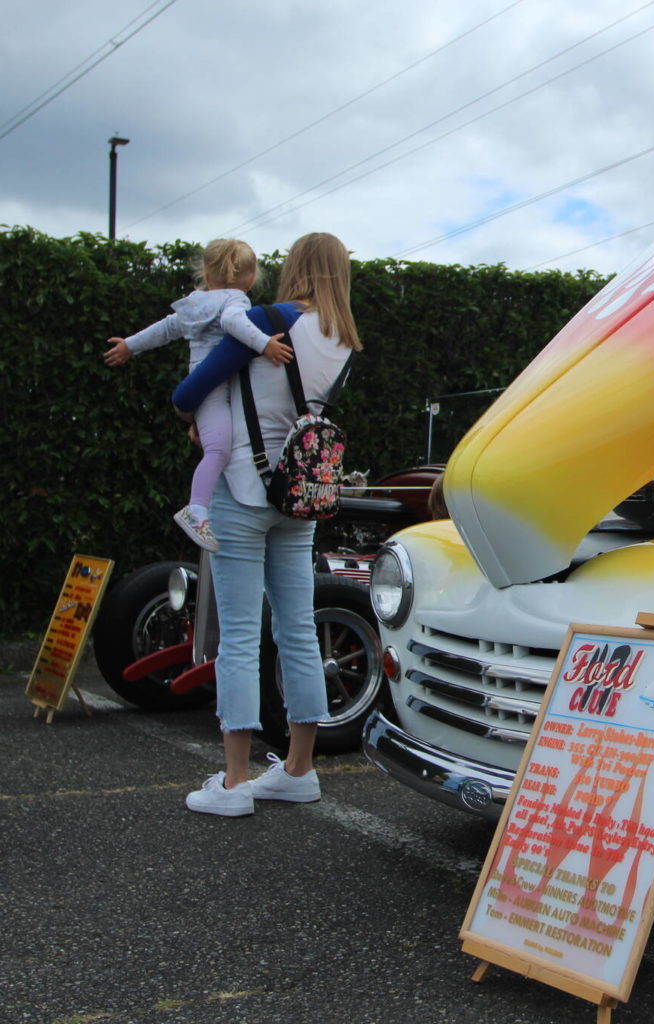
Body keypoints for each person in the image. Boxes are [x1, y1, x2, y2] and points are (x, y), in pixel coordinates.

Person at [169, 232, 362, 817]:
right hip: (300, 495)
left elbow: (189, 391)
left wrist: (193, 417)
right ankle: (299, 770)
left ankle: (232, 783)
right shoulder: (344, 340)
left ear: (295, 268)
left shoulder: (265, 320)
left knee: (239, 637)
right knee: (298, 630)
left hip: (241, 491)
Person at [103, 239, 294, 552]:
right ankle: (197, 510)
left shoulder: (195, 303)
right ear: (250, 279)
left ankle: (204, 507)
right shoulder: (235, 300)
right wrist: (264, 344)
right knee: (219, 449)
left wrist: (129, 345)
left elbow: (165, 329)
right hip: (218, 387)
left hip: (204, 389)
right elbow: (234, 324)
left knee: (217, 443)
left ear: (206, 273)